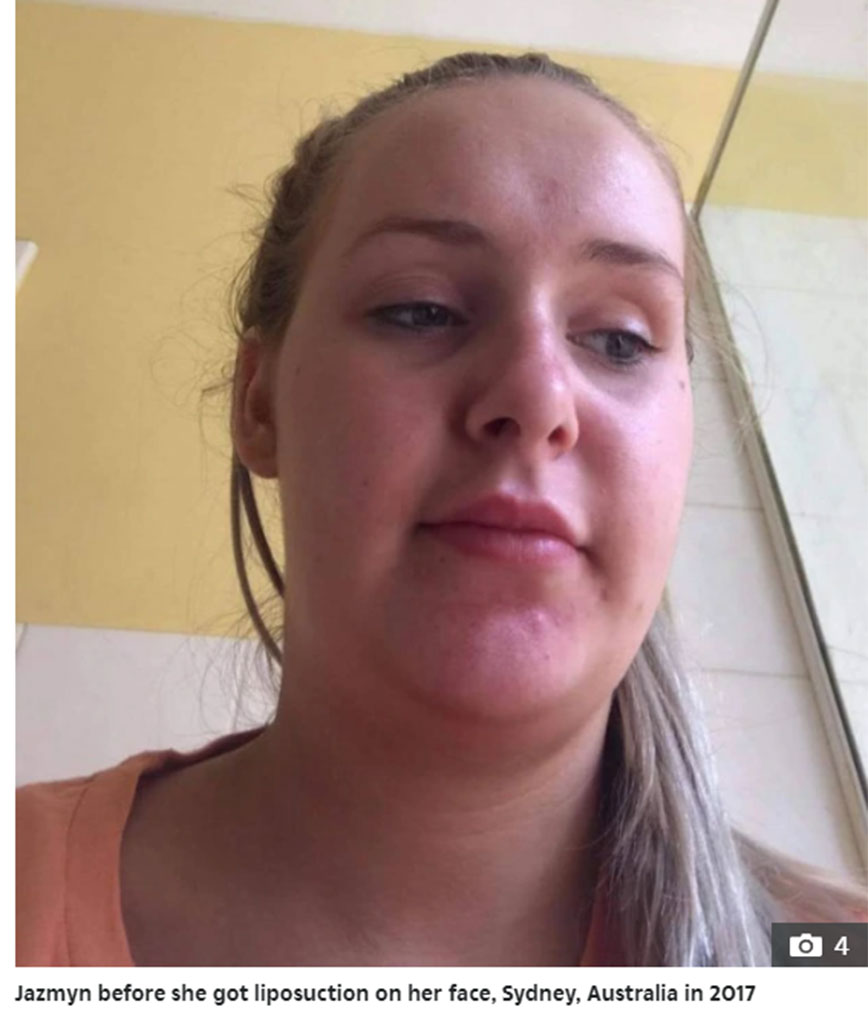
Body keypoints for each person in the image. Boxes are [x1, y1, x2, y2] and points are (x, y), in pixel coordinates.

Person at [16, 51, 865, 968]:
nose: (537, 396)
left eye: (620, 339)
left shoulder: (833, 959)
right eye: (421, 310)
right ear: (259, 403)